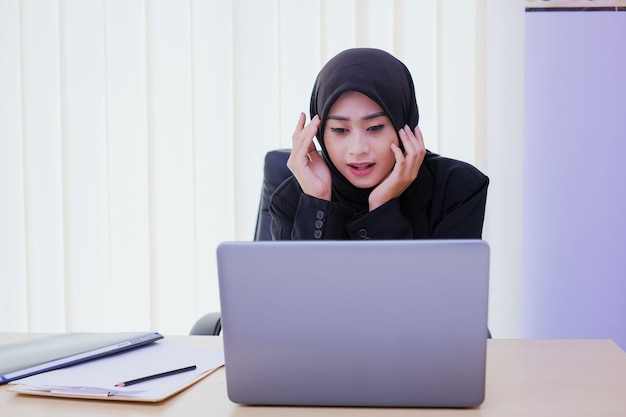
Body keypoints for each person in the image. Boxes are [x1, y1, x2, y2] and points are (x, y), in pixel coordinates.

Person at [269, 48, 488, 240]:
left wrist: (382, 206)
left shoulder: (457, 189)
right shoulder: (293, 200)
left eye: (374, 127)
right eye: (339, 130)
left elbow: (437, 287)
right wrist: (317, 204)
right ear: (317, 133)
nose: (358, 148)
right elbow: (300, 287)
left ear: (404, 124)